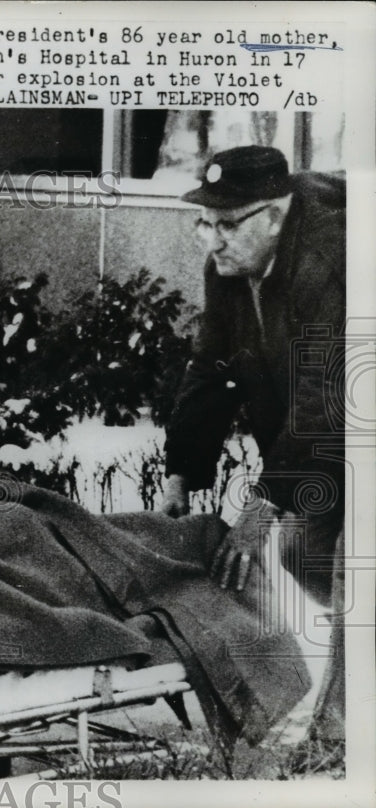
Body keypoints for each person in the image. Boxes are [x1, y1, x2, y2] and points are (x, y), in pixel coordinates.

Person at [160, 144, 345, 743]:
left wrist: (263, 503)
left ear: (276, 214)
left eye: (228, 223)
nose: (213, 240)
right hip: (326, 444)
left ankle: (340, 735)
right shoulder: (231, 268)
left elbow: (328, 390)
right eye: (204, 223)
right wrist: (181, 475)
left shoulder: (330, 257)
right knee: (299, 553)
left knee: (352, 569)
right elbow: (210, 371)